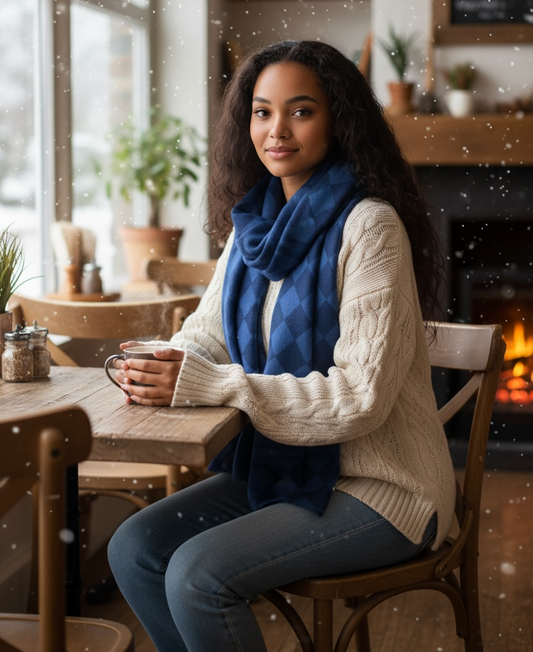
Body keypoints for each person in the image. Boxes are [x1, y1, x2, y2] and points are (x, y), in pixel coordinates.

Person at [108, 40, 456, 652]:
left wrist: (210, 384)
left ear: (339, 119)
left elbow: (360, 399)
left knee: (197, 575)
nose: (277, 130)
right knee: (134, 548)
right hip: (284, 467)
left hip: (383, 485)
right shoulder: (254, 226)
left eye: (301, 111)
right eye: (262, 112)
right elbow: (207, 334)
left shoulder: (370, 226)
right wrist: (167, 360)